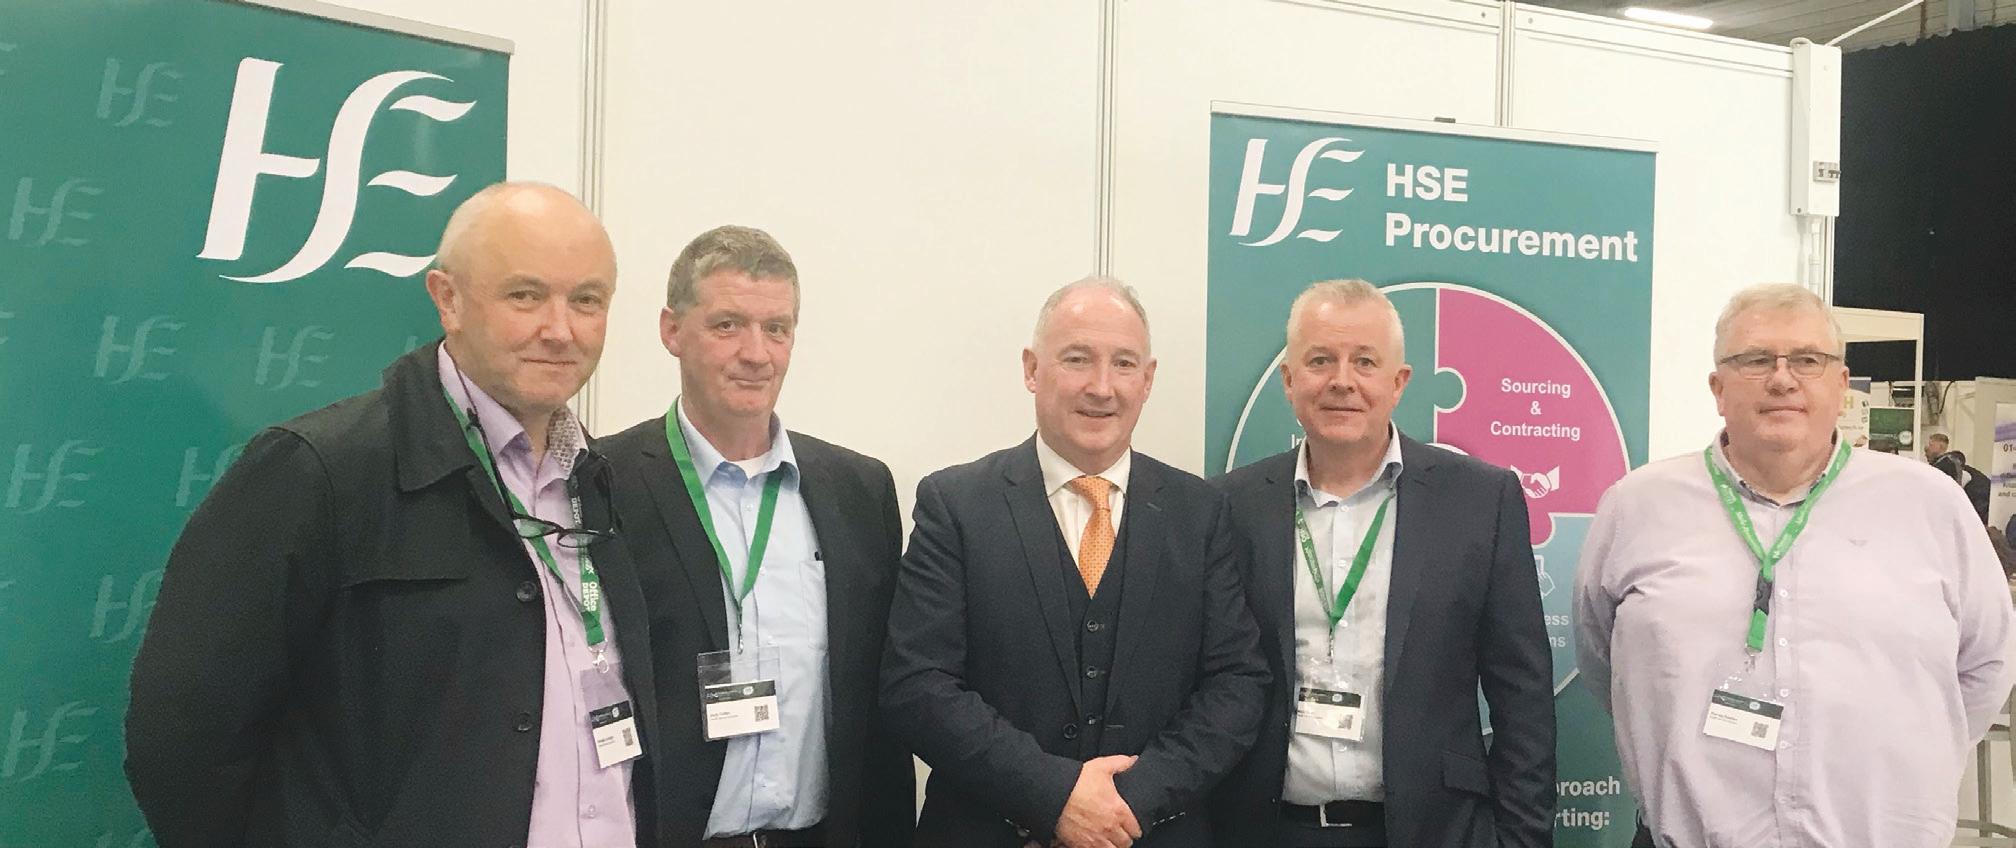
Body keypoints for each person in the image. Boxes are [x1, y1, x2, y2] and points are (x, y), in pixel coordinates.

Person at [126, 183, 660, 848]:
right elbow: (183, 739)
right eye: (525, 295)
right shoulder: (319, 471)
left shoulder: (600, 482)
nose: (560, 330)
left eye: (587, 300)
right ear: (447, 299)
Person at [1574, 283, 2015, 848]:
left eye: (1808, 360)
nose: (1782, 379)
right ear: (1718, 388)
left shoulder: (1931, 505)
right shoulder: (1636, 506)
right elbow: (1605, 661)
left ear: (1841, 384)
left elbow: (1986, 664)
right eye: (1756, 360)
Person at [881, 277, 1268, 848]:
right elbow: (918, 684)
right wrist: (1054, 797)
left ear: (1148, 379)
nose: (1101, 387)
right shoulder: (956, 504)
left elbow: (1237, 684)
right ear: (1032, 369)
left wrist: (1129, 804)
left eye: (1124, 364)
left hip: (1150, 832)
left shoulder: (1200, 512)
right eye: (1077, 359)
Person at [1209, 279, 1555, 848]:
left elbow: (1522, 695)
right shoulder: (1229, 505)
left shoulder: (1480, 501)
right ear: (1289, 380)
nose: (1342, 380)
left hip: (1434, 832)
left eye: (1365, 361)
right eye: (1320, 360)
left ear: (1399, 383)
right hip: (1267, 830)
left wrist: (1520, 840)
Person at [601, 225, 914, 848]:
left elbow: (879, 703)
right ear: (671, 331)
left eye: (777, 328)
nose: (757, 353)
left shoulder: (859, 491)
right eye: (728, 325)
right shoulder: (605, 482)